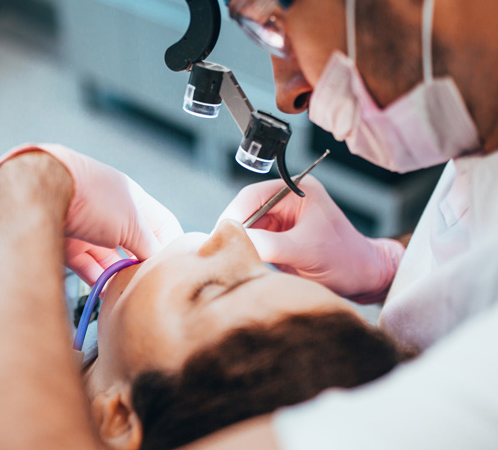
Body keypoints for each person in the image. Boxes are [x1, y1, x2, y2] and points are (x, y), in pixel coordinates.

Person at [0, 145, 407, 449]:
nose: (232, 235)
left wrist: (34, 183)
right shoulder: (76, 314)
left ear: (119, 416)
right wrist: (386, 264)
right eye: (268, 268)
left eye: (211, 288)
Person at [180, 0, 498, 447]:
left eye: (272, 23)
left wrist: (44, 191)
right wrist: (391, 265)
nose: (286, 95)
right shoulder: (482, 124)